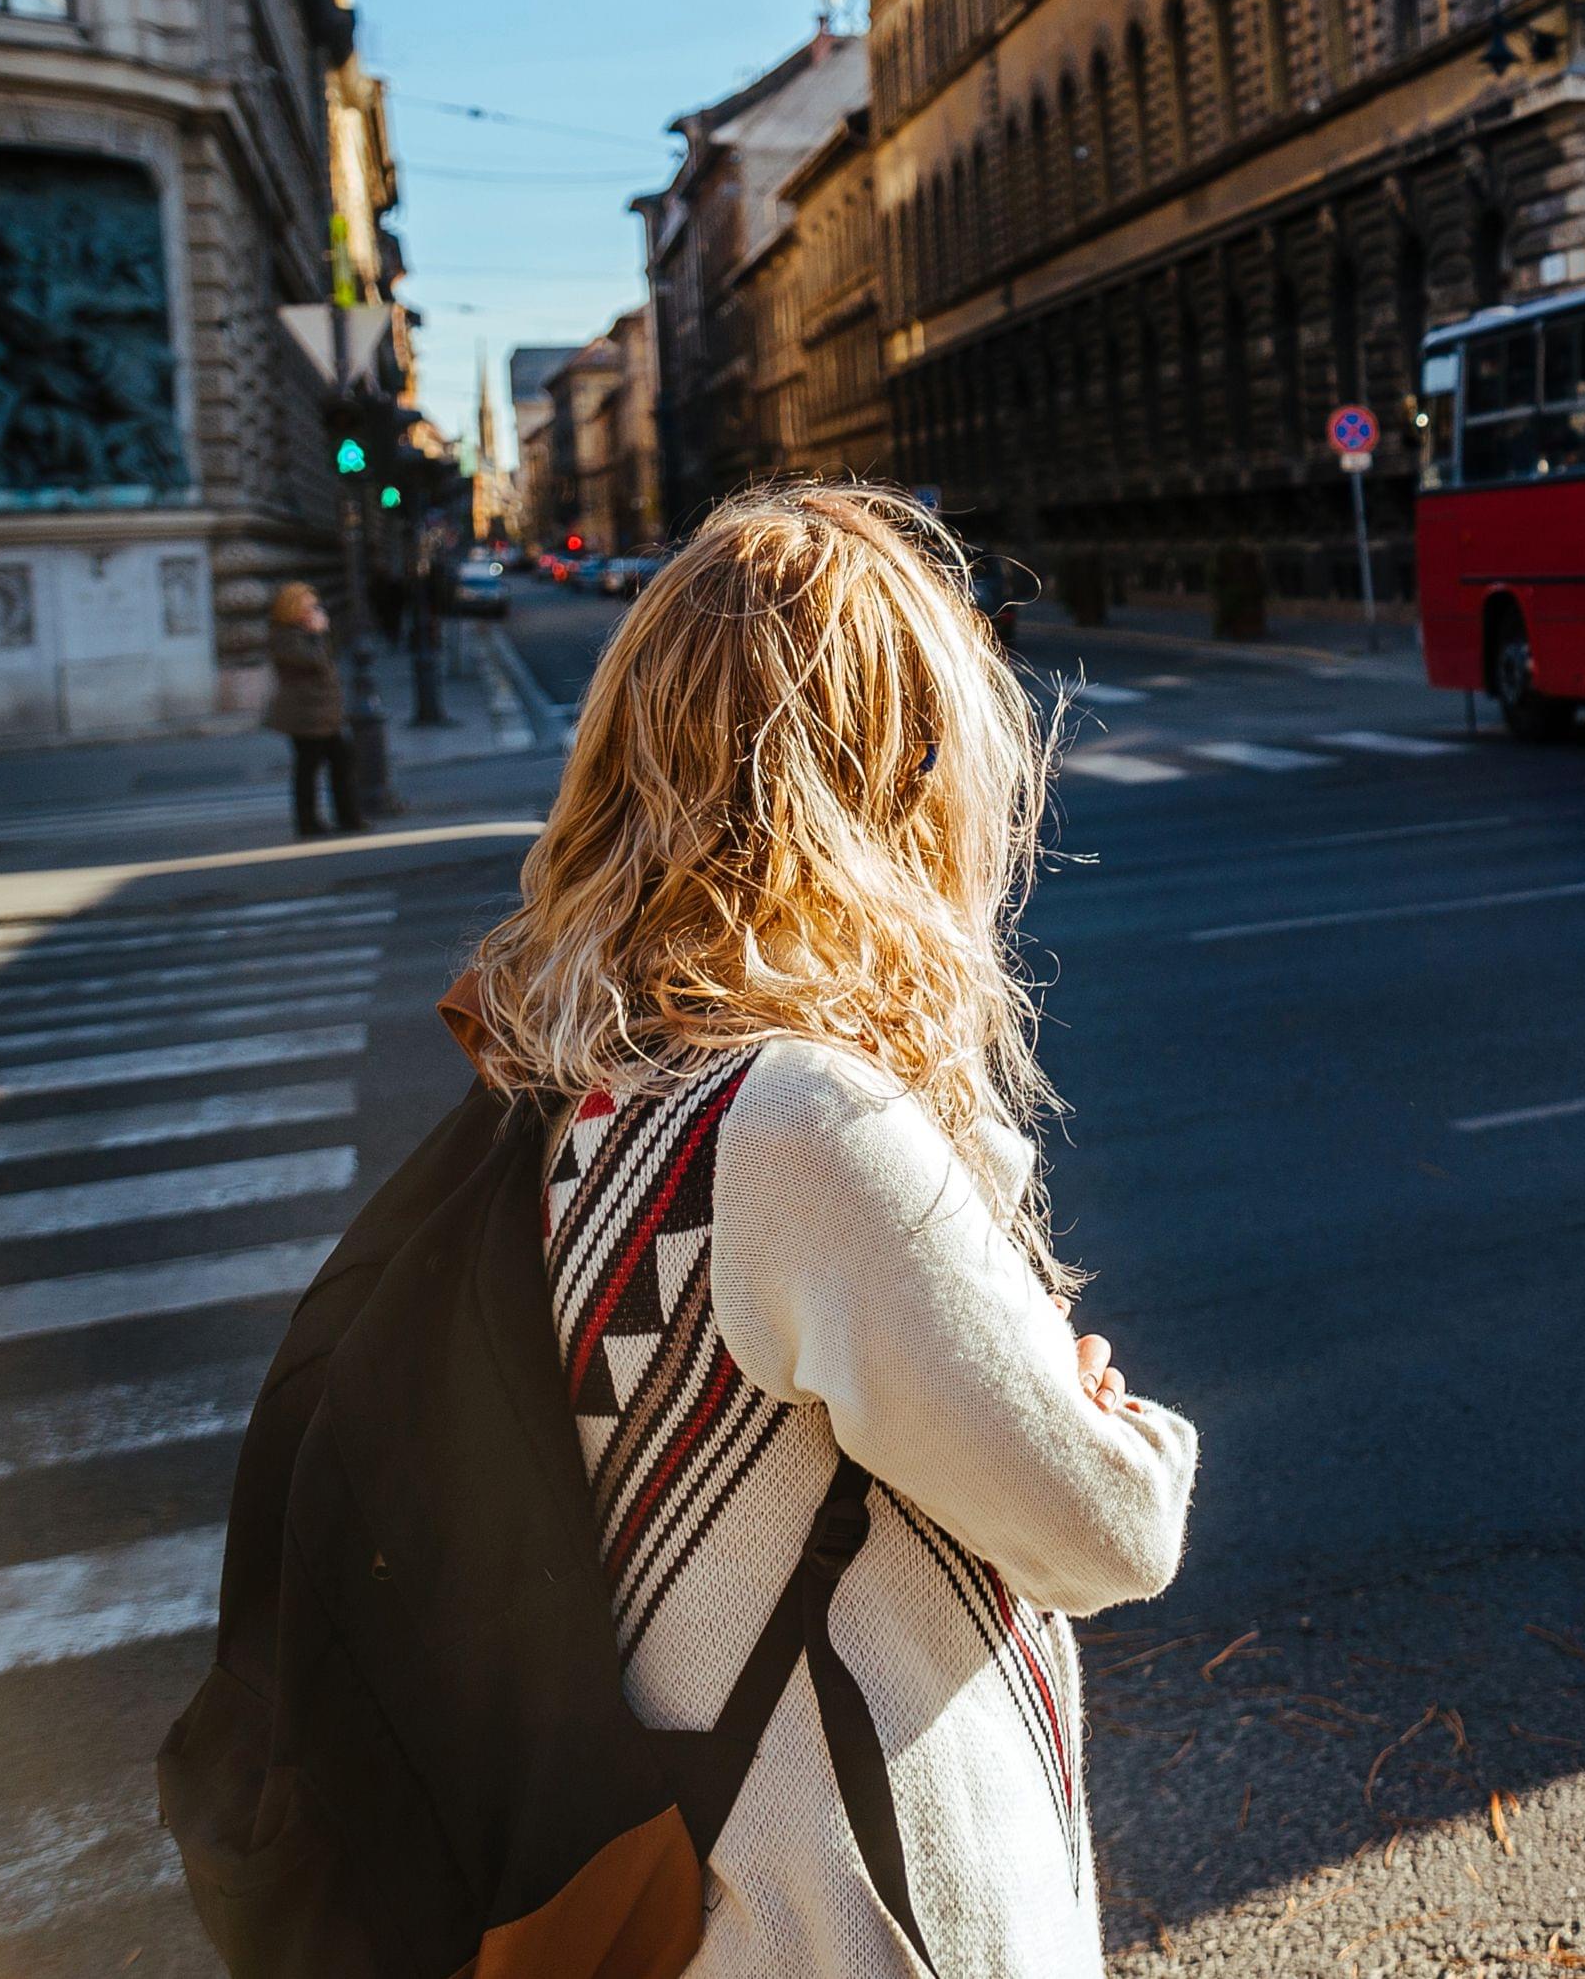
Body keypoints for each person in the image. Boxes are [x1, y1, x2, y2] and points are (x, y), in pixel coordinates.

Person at [459, 484, 1194, 1974]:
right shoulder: (799, 1123)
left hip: (704, 1890)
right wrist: (1121, 1428)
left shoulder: (582, 1083)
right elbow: (1107, 1528)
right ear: (896, 774)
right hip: (854, 1915)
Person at [265, 582, 363, 837]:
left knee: (340, 762)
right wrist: (317, 634)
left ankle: (347, 817)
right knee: (309, 769)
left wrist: (319, 634)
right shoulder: (286, 636)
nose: (313, 612)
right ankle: (309, 822)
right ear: (293, 609)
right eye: (308, 607)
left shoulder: (302, 634)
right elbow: (315, 661)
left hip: (322, 713)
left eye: (314, 606)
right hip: (306, 715)